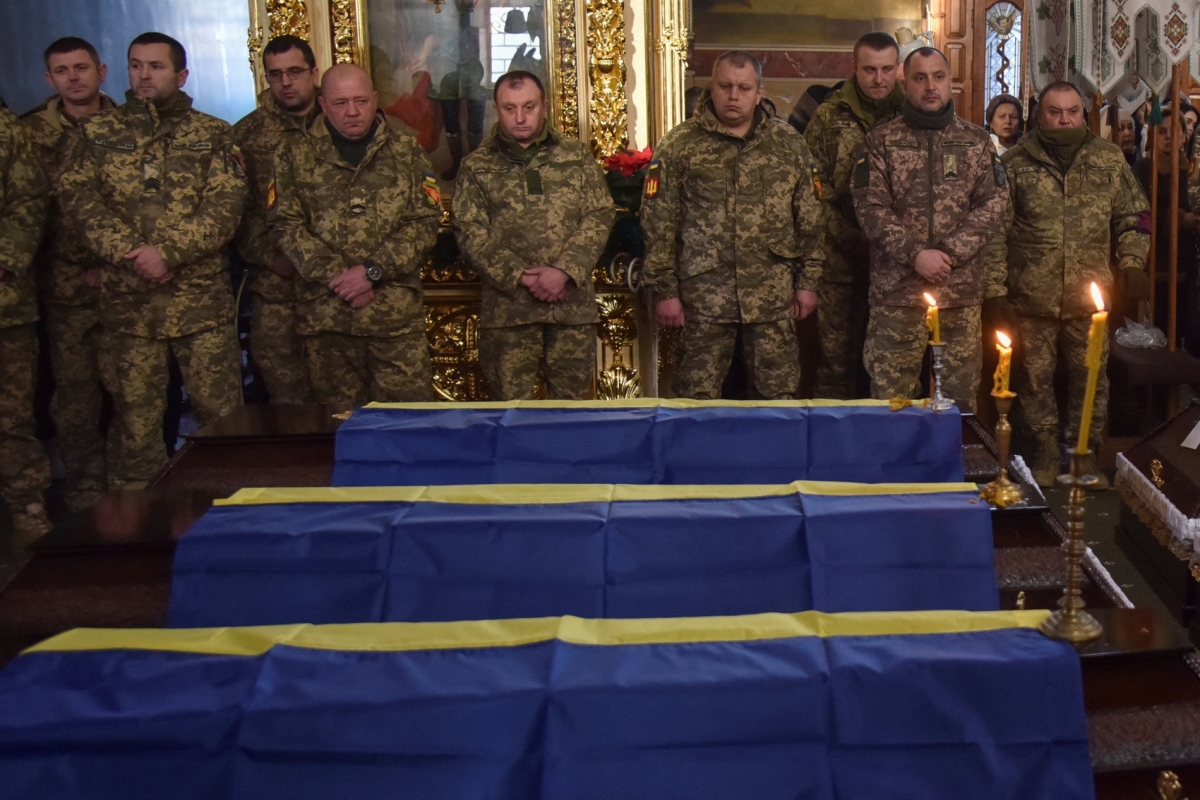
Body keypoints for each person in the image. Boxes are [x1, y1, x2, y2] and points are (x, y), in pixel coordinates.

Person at [58, 32, 246, 488]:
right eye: (136, 65)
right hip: (130, 308)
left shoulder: (213, 134)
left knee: (223, 425)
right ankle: (143, 522)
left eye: (156, 66)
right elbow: (78, 201)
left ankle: (228, 511)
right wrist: (132, 252)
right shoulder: (97, 133)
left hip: (199, 306)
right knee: (135, 429)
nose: (144, 75)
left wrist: (168, 253)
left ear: (181, 75)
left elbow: (226, 206)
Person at [986, 81, 1148, 489]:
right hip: (1030, 296)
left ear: (1083, 114)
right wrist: (995, 290)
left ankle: (1083, 456)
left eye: (1072, 111)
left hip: (1089, 297)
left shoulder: (1108, 158)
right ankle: (1042, 454)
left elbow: (1133, 218)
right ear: (1039, 115)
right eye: (1055, 112)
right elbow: (994, 232)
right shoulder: (1015, 162)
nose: (1064, 119)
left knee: (1091, 378)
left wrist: (1133, 263)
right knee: (1033, 380)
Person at [641, 50, 824, 400]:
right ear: (711, 88)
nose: (734, 96)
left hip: (771, 295)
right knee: (695, 399)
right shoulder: (680, 144)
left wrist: (808, 282)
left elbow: (811, 219)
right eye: (725, 86)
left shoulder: (788, 144)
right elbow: (658, 222)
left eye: (744, 88)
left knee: (778, 398)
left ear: (760, 93)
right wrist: (665, 291)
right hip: (703, 297)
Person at [270, 63, 441, 405]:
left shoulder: (406, 149)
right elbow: (285, 224)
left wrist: (371, 272)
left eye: (361, 101)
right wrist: (340, 278)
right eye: (340, 103)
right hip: (327, 317)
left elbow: (424, 222)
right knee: (338, 426)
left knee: (408, 422)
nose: (352, 111)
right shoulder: (292, 152)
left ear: (375, 100)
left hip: (393, 319)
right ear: (323, 104)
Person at [851, 47, 1006, 411]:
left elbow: (994, 203)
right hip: (897, 293)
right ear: (905, 83)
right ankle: (897, 454)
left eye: (938, 76)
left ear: (950, 81)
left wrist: (947, 254)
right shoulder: (880, 141)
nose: (930, 86)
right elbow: (870, 207)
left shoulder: (977, 141)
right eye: (920, 78)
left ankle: (949, 453)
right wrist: (916, 255)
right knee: (891, 402)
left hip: (958, 293)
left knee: (959, 403)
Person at [453, 70, 614, 399]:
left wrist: (564, 271)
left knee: (572, 411)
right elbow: (469, 230)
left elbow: (600, 213)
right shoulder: (476, 165)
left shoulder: (576, 156)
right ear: (496, 110)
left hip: (570, 308)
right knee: (512, 413)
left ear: (545, 106)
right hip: (509, 312)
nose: (520, 117)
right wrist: (521, 276)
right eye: (509, 108)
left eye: (529, 107)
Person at [22, 36, 116, 511]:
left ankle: (135, 487)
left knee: (135, 395)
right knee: (75, 397)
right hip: (63, 291)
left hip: (127, 286)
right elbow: (26, 212)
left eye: (81, 67)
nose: (73, 78)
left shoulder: (130, 126)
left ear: (101, 71)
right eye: (62, 71)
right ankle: (86, 492)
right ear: (49, 79)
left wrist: (111, 261)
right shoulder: (28, 134)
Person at [804, 31, 903, 398]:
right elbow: (814, 189)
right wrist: (851, 238)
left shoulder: (912, 113)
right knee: (836, 365)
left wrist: (894, 241)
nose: (878, 79)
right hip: (841, 262)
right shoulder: (829, 115)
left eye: (886, 69)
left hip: (899, 265)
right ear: (854, 67)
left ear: (898, 69)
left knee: (892, 369)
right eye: (869, 70)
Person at [231, 35, 320, 405]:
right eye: (275, 74)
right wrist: (272, 256)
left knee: (343, 396)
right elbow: (236, 209)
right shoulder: (245, 134)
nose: (286, 82)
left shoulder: (339, 119)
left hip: (334, 283)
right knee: (288, 398)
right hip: (277, 284)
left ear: (314, 73)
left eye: (294, 72)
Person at [0, 107, 51, 548]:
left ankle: (27, 508)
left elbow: (30, 200)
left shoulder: (6, 131)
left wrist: (4, 259)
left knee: (12, 417)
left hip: (5, 304)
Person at [1134, 108, 1200, 357]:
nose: (1169, 137)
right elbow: (1140, 214)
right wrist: (1180, 219)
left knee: (1187, 329)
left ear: (1184, 135)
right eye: (1162, 132)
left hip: (1188, 263)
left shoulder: (1191, 171)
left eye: (1175, 131)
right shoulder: (1143, 169)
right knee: (1160, 333)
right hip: (1158, 264)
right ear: (1152, 136)